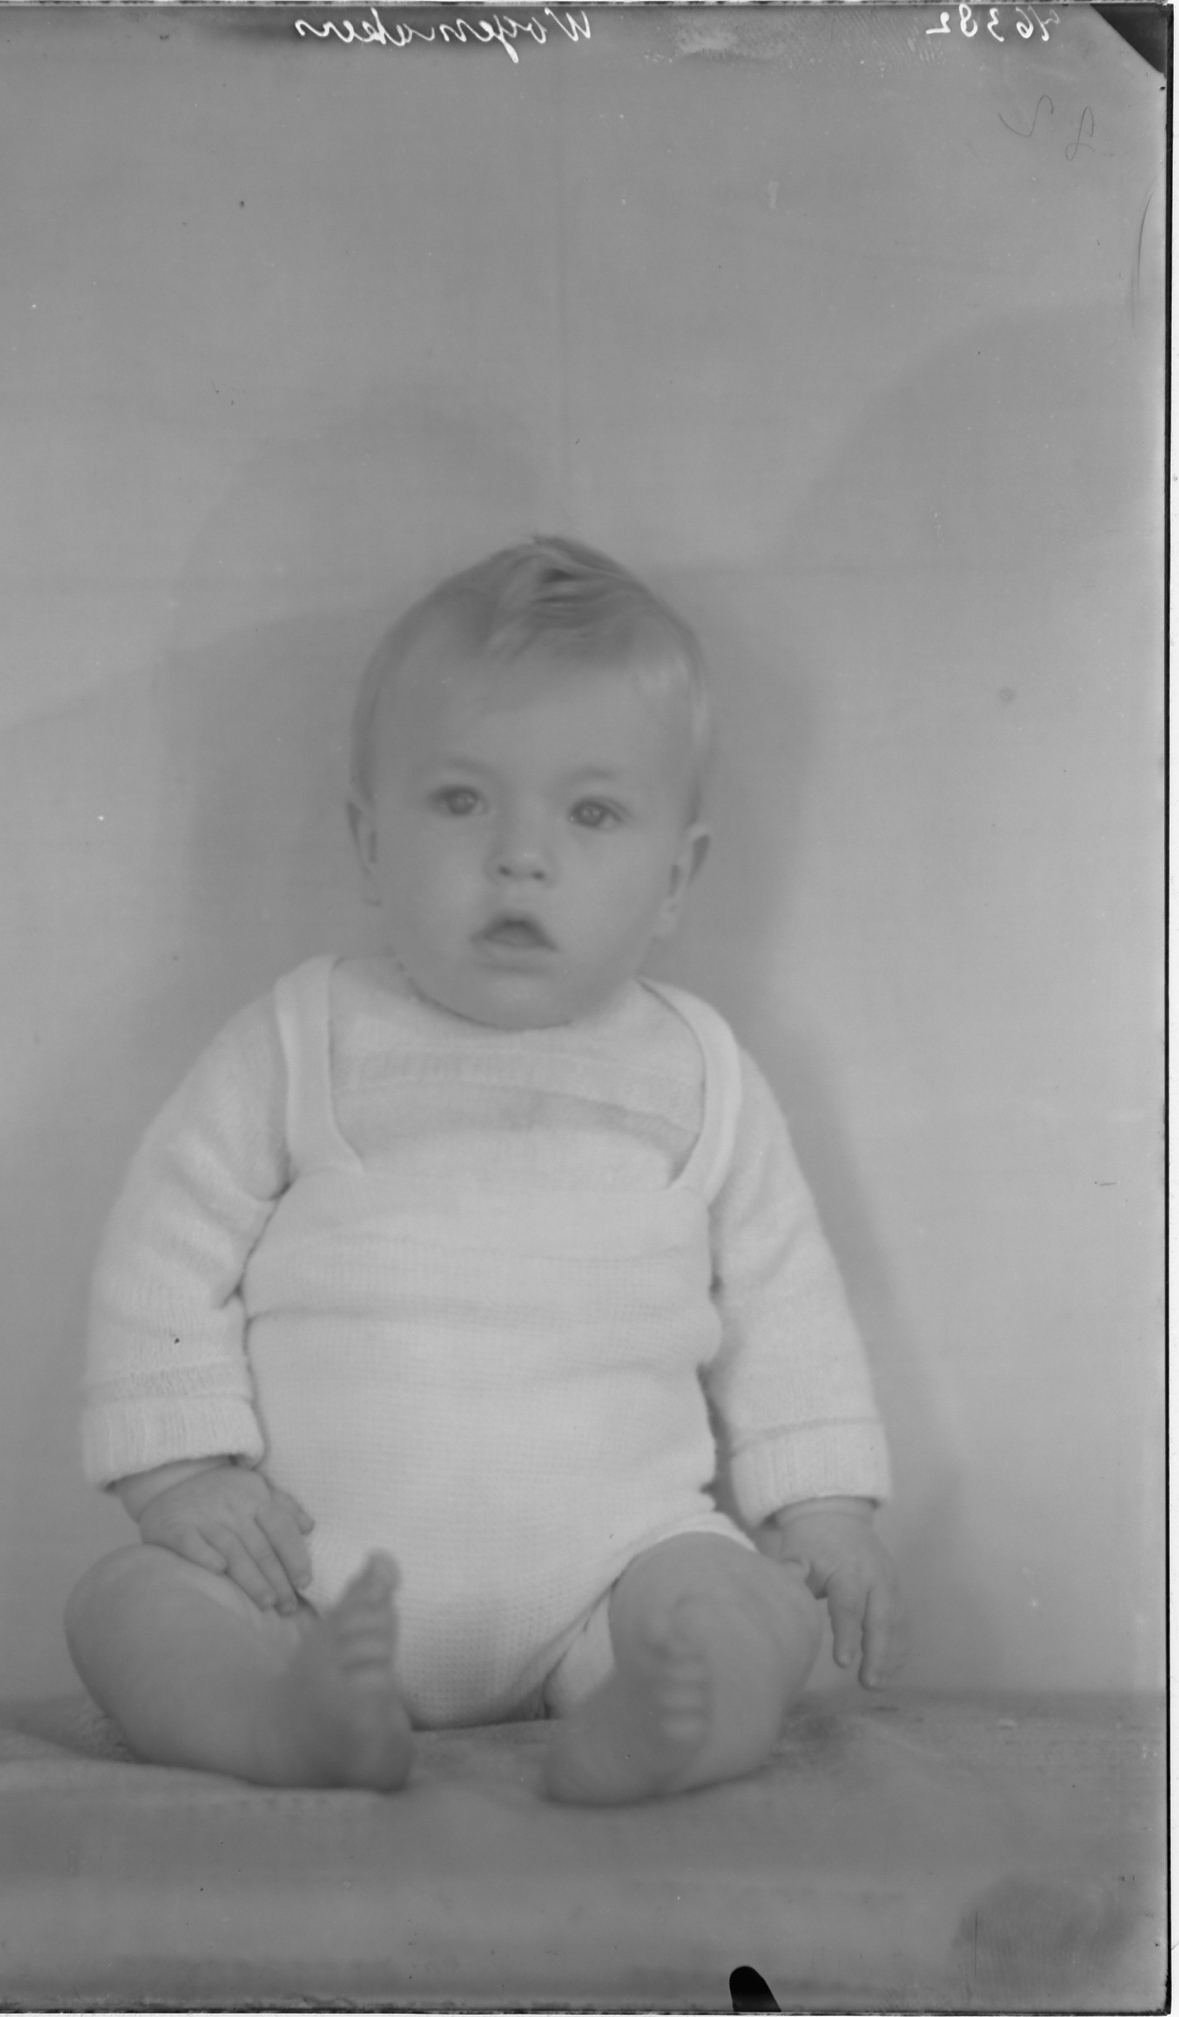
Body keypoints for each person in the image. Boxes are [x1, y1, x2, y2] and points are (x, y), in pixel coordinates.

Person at [65, 537, 907, 1804]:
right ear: (368, 842)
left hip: (616, 1568)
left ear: (675, 878)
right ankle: (275, 1718)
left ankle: (667, 1719)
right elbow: (164, 1243)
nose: (521, 855)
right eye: (461, 801)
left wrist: (824, 1505)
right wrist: (182, 1470)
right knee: (124, 1601)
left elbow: (785, 1301)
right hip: (305, 1581)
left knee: (742, 1603)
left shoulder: (701, 1074)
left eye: (591, 813)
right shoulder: (302, 1037)